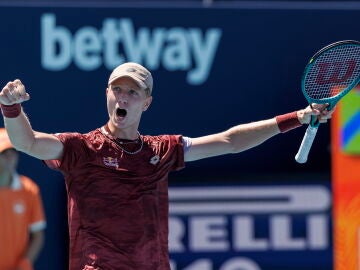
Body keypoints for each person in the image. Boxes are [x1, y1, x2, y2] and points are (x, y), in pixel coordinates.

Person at [0, 62, 333, 270]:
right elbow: (27, 142)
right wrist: (10, 109)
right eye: (117, 89)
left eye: (133, 91)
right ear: (107, 94)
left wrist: (297, 118)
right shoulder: (81, 148)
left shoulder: (163, 150)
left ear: (147, 102)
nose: (123, 97)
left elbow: (231, 142)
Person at [0, 128, 46, 270]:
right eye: (4, 153)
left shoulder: (30, 190)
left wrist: (24, 263)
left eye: (13, 152)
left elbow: (38, 235)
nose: (10, 158)